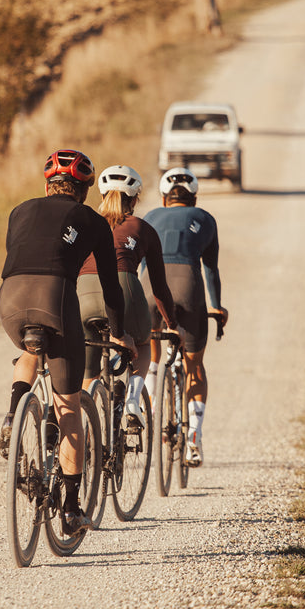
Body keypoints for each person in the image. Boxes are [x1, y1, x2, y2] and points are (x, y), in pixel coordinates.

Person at [0, 149, 132, 536]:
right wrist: (119, 335)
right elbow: (110, 287)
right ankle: (71, 509)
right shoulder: (91, 220)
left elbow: (21, 255)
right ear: (85, 190)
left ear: (47, 186)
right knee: (69, 406)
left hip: (10, 297)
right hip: (55, 296)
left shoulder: (19, 210)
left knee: (30, 347)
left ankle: (12, 412)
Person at [77, 165, 178, 422]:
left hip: (84, 293)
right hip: (125, 290)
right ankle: (133, 399)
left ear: (101, 196)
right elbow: (159, 288)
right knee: (142, 345)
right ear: (134, 199)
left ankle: (88, 426)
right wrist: (172, 324)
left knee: (88, 373)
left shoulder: (86, 223)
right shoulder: (143, 228)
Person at [141, 167, 227, 467]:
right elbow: (211, 270)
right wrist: (216, 306)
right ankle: (194, 436)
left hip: (152, 286)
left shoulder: (150, 216)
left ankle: (148, 412)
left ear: (164, 199)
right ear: (194, 199)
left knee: (150, 354)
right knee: (195, 364)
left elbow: (140, 266)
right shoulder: (205, 219)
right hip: (188, 285)